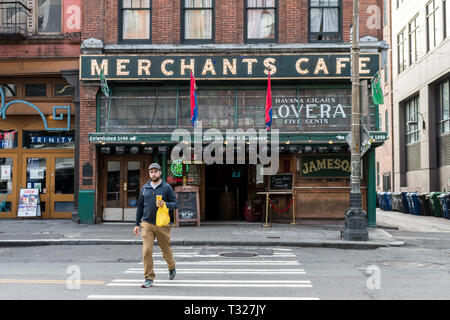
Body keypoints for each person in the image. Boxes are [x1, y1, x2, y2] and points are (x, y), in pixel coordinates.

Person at [133, 163, 178, 288]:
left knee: (166, 251)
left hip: (162, 225)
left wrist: (165, 204)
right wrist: (137, 224)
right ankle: (149, 277)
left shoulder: (167, 187)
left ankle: (171, 266)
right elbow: (140, 207)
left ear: (160, 173)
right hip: (147, 224)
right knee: (147, 251)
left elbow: (176, 204)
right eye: (151, 172)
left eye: (155, 171)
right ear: (149, 174)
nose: (153, 174)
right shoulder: (145, 188)